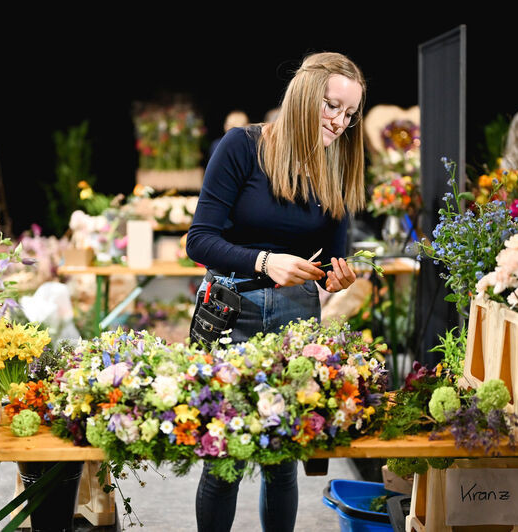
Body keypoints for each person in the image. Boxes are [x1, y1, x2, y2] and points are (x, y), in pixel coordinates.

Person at [186, 51, 366, 532]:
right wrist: (265, 261)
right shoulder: (242, 147)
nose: (339, 122)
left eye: (349, 115)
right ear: (306, 96)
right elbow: (199, 240)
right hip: (229, 312)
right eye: (332, 107)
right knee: (223, 460)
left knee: (282, 461)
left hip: (295, 317)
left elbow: (330, 262)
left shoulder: (336, 166)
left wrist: (338, 276)